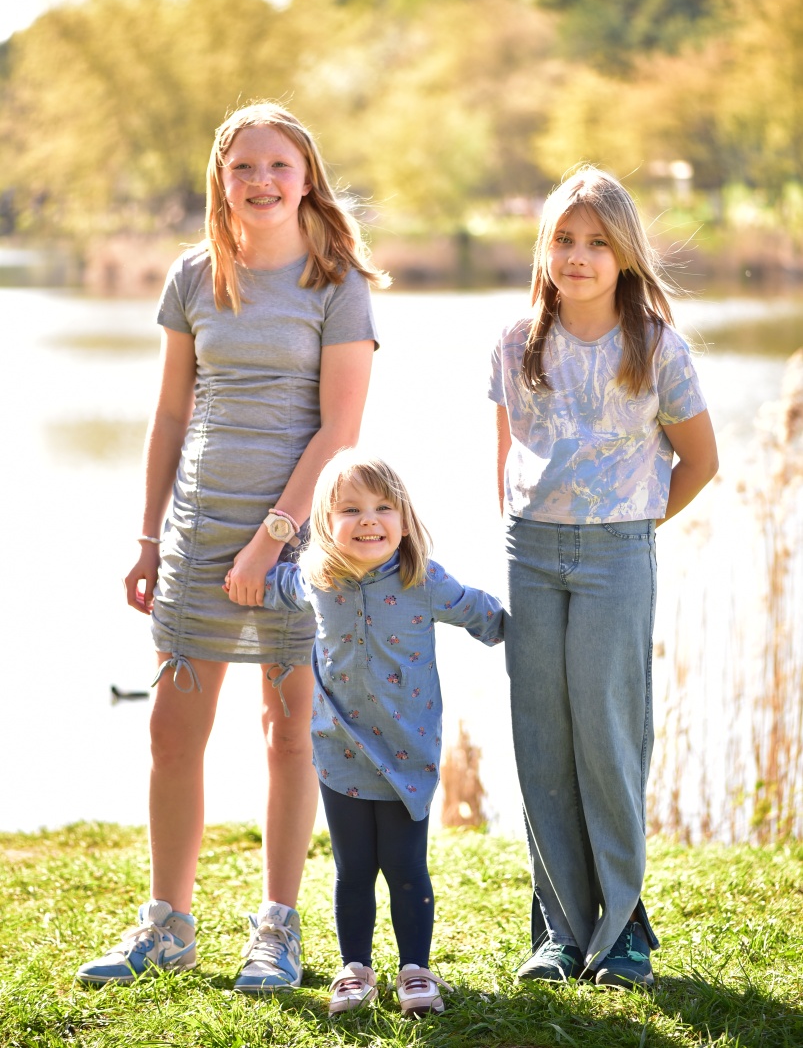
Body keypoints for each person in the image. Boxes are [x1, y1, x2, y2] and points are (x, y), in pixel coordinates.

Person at [77, 102, 386, 989]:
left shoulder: (337, 283)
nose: (260, 181)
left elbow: (339, 431)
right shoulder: (192, 274)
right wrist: (148, 537)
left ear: (306, 177)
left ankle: (277, 929)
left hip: (297, 546)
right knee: (171, 734)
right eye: (242, 166)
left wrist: (272, 542)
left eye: (277, 165)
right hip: (197, 535)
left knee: (288, 733)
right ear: (220, 177)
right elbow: (170, 415)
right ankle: (167, 926)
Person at [490, 166, 718, 990]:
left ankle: (621, 931)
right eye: (563, 239)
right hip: (529, 552)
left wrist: (631, 527)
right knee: (541, 738)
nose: (577, 256)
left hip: (615, 555)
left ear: (623, 253)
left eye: (595, 242)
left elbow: (699, 461)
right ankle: (558, 929)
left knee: (607, 738)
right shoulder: (515, 343)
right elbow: (506, 454)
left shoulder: (655, 347)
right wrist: (520, 528)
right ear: (544, 247)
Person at [260, 450, 505, 1016]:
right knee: (353, 870)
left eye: (383, 507)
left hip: (405, 752)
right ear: (325, 522)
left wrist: (534, 629)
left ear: (405, 519)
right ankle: (355, 971)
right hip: (339, 749)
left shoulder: (423, 580)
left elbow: (480, 612)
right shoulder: (317, 579)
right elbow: (274, 586)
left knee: (404, 867)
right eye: (350, 509)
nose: (368, 520)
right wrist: (241, 574)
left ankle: (415, 970)